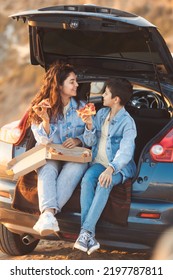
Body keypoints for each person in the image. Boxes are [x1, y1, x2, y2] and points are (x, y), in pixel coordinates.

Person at [73, 77, 137, 255]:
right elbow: (89, 141)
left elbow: (126, 151)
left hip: (119, 167)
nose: (102, 95)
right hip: (98, 163)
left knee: (104, 183)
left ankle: (85, 232)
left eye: (106, 93)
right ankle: (88, 235)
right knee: (87, 180)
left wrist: (111, 169)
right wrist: (89, 125)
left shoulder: (128, 123)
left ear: (116, 99)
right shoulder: (100, 114)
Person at [28, 62, 88, 236]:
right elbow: (43, 141)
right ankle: (48, 215)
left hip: (75, 157)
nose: (77, 85)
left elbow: (94, 138)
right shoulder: (41, 107)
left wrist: (79, 140)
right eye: (72, 81)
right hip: (51, 155)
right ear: (59, 85)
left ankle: (47, 215)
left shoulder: (83, 107)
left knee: (75, 168)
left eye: (76, 81)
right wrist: (45, 120)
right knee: (46, 169)